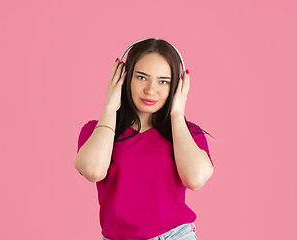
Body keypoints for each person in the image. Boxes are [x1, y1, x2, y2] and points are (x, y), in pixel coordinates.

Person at [75, 38, 214, 240]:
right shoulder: (97, 130)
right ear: (125, 77)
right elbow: (93, 171)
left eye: (163, 81)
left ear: (177, 85)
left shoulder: (188, 133)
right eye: (141, 77)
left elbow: (195, 179)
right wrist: (110, 107)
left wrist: (176, 114)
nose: (150, 90)